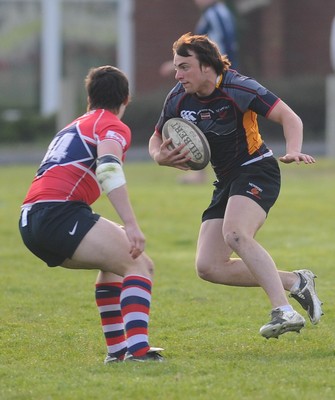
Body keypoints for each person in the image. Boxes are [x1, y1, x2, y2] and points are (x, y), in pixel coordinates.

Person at [149, 33, 323, 339]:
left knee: (235, 234)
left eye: (184, 67)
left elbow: (289, 116)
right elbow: (156, 135)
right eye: (176, 67)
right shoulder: (178, 96)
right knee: (208, 266)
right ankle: (296, 282)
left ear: (206, 66)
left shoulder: (238, 87)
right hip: (226, 178)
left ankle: (283, 310)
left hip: (257, 169)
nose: (177, 74)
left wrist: (293, 148)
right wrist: (158, 156)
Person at [19, 65, 163, 362]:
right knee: (140, 266)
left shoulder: (73, 125)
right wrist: (131, 224)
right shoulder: (110, 125)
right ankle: (138, 352)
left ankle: (118, 351)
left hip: (29, 220)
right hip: (59, 214)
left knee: (112, 266)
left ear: (90, 97)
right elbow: (108, 168)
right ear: (126, 99)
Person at [160, 0, 238, 184]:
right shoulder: (218, 12)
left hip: (215, 79)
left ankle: (202, 171)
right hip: (215, 76)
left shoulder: (215, 14)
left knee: (203, 120)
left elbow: (214, 50)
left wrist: (179, 68)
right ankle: (204, 171)